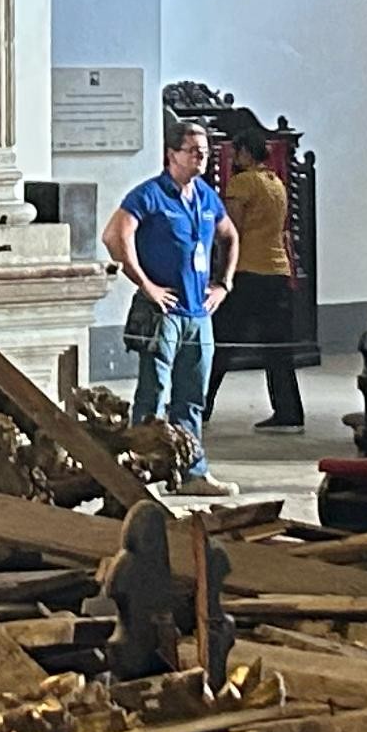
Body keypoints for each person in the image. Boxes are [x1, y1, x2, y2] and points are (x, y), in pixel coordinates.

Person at [104, 119, 237, 477]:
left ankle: (192, 471)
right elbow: (115, 235)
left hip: (198, 313)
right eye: (193, 151)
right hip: (163, 312)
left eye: (205, 152)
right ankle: (137, 469)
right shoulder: (149, 195)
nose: (201, 158)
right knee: (153, 394)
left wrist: (223, 283)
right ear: (171, 154)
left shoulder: (206, 196)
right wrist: (145, 284)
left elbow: (230, 236)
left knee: (193, 398)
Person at [209, 130, 310, 435]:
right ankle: (289, 412)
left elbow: (232, 230)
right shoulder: (275, 182)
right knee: (278, 349)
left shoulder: (242, 183)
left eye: (236, 152)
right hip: (277, 271)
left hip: (247, 271)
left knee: (221, 343)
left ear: (244, 153)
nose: (233, 158)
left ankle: (199, 404)